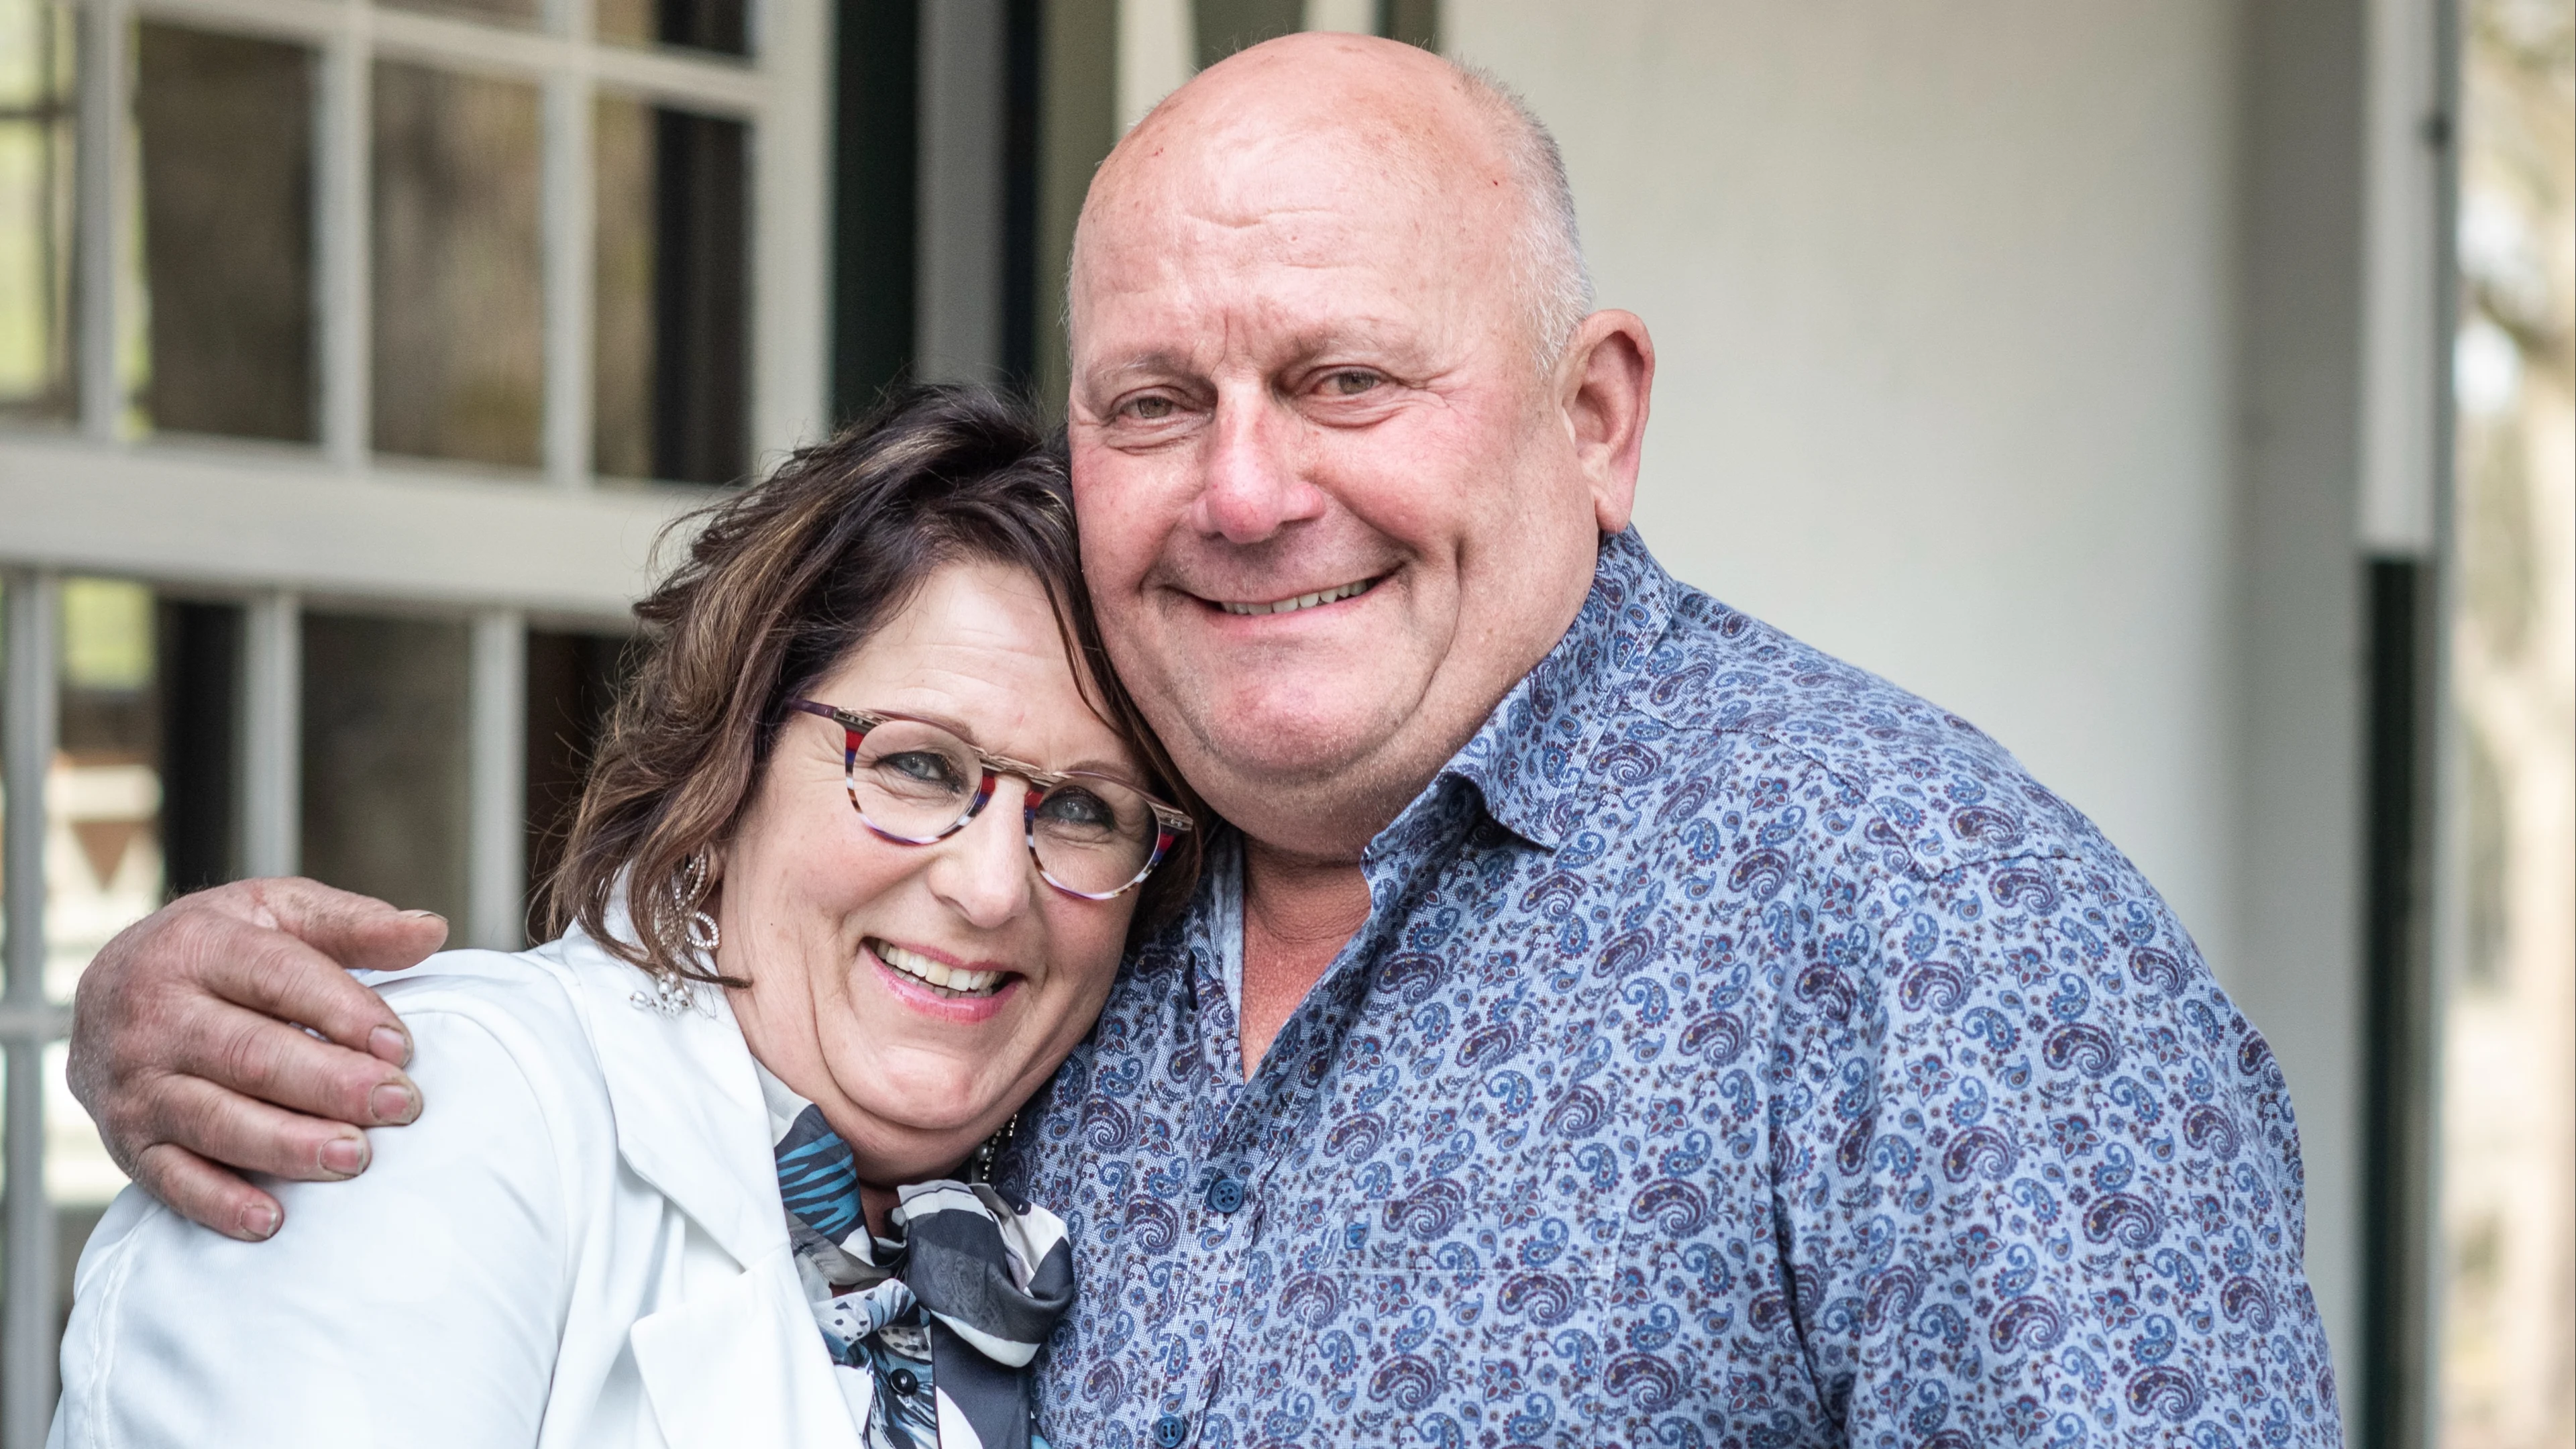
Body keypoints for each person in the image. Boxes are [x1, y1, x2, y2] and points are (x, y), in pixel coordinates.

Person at [66, 34, 2342, 1448]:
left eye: (1348, 381)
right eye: (1159, 403)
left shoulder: (1938, 938)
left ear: (1596, 414)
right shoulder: (1087, 946)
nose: (1251, 490)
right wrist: (185, 1013)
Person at [51, 387, 1197, 1448]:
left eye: (1086, 807)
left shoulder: (1048, 1208)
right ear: (729, 762)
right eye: (917, 767)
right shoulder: (442, 1111)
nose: (993, 884)